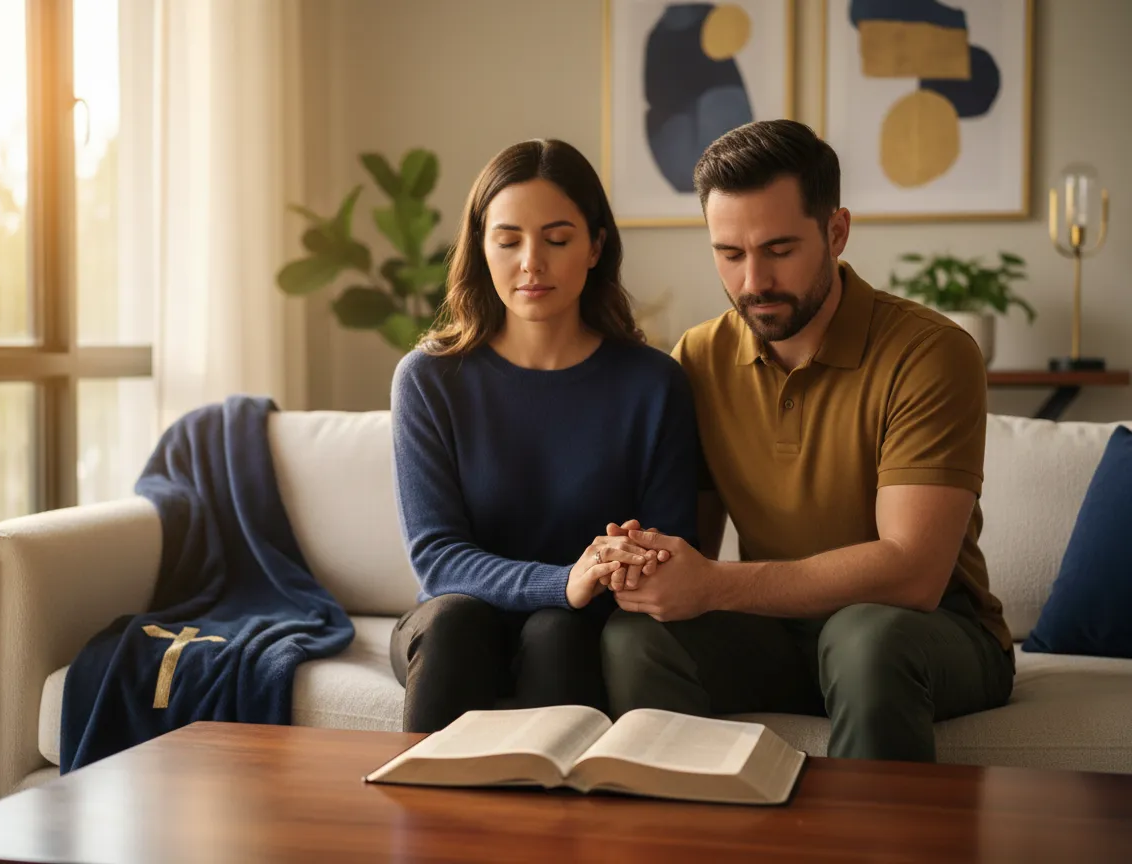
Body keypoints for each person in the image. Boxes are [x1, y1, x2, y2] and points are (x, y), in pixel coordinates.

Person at [599, 119, 1014, 762]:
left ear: (837, 231)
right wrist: (646, 564)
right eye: (729, 254)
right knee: (637, 639)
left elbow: (913, 572)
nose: (753, 281)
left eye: (780, 248)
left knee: (865, 637)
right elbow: (693, 546)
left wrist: (713, 585)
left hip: (929, 633)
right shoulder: (699, 358)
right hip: (779, 634)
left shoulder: (931, 354)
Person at [389, 138, 700, 733]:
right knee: (458, 622)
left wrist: (607, 572)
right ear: (481, 249)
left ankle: (557, 826)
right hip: (457, 624)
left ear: (595, 247)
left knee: (556, 631)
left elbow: (666, 545)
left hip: (583, 630)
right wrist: (562, 582)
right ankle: (426, 821)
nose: (532, 262)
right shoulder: (429, 380)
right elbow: (436, 558)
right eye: (508, 241)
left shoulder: (654, 384)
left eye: (557, 240)